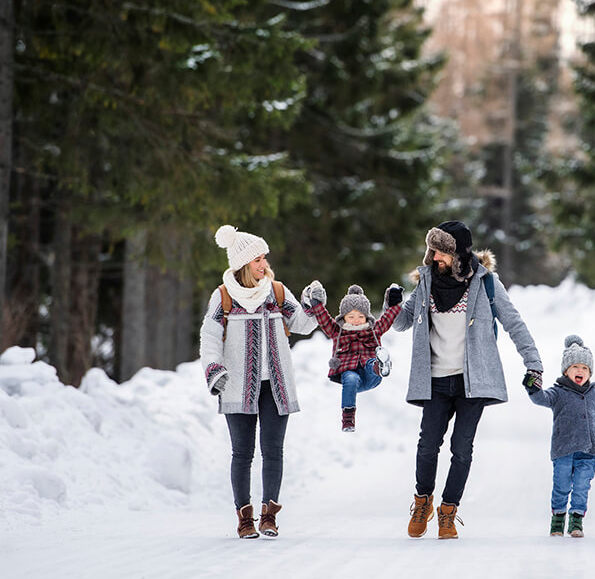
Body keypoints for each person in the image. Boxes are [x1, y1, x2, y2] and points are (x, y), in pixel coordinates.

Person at [393, 220, 544, 539]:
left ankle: (448, 512)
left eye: (440, 253)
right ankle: (423, 502)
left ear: (457, 253)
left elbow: (514, 323)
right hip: (434, 379)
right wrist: (391, 305)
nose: (434, 258)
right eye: (432, 251)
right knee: (427, 446)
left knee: (461, 449)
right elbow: (401, 322)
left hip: (471, 382)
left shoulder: (486, 283)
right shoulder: (426, 282)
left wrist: (533, 363)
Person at [199, 225, 317, 539]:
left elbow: (302, 324)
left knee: (273, 452)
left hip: (275, 386)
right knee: (242, 454)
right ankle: (244, 519)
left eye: (264, 258)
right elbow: (210, 338)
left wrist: (313, 303)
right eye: (257, 259)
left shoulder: (276, 292)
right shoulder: (223, 297)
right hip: (236, 386)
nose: (263, 264)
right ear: (242, 263)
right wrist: (214, 370)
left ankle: (269, 517)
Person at [523, 334, 595, 538]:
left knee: (582, 486)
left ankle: (576, 522)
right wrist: (532, 387)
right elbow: (541, 399)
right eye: (575, 367)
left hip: (588, 451)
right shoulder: (558, 392)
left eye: (584, 368)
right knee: (561, 486)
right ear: (566, 371)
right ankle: (557, 519)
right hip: (563, 450)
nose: (580, 371)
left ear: (590, 372)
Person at [301, 281, 404, 432]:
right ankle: (348, 419)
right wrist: (316, 303)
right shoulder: (337, 332)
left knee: (370, 363)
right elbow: (323, 318)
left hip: (371, 376)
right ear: (344, 317)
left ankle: (380, 366)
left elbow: (388, 318)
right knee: (351, 377)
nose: (356, 321)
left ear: (366, 317)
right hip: (350, 377)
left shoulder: (373, 331)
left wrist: (395, 301)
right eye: (351, 316)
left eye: (361, 316)